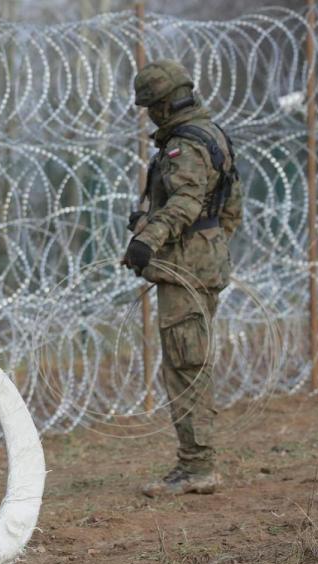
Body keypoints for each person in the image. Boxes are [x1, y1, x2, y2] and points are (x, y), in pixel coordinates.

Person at [123, 60, 243, 498]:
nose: (150, 115)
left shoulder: (185, 144)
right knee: (191, 358)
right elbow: (231, 208)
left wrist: (151, 240)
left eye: (151, 106)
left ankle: (197, 466)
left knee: (186, 364)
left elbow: (188, 201)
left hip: (186, 269)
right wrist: (209, 246)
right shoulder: (211, 134)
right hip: (201, 262)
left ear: (163, 104)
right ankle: (196, 462)